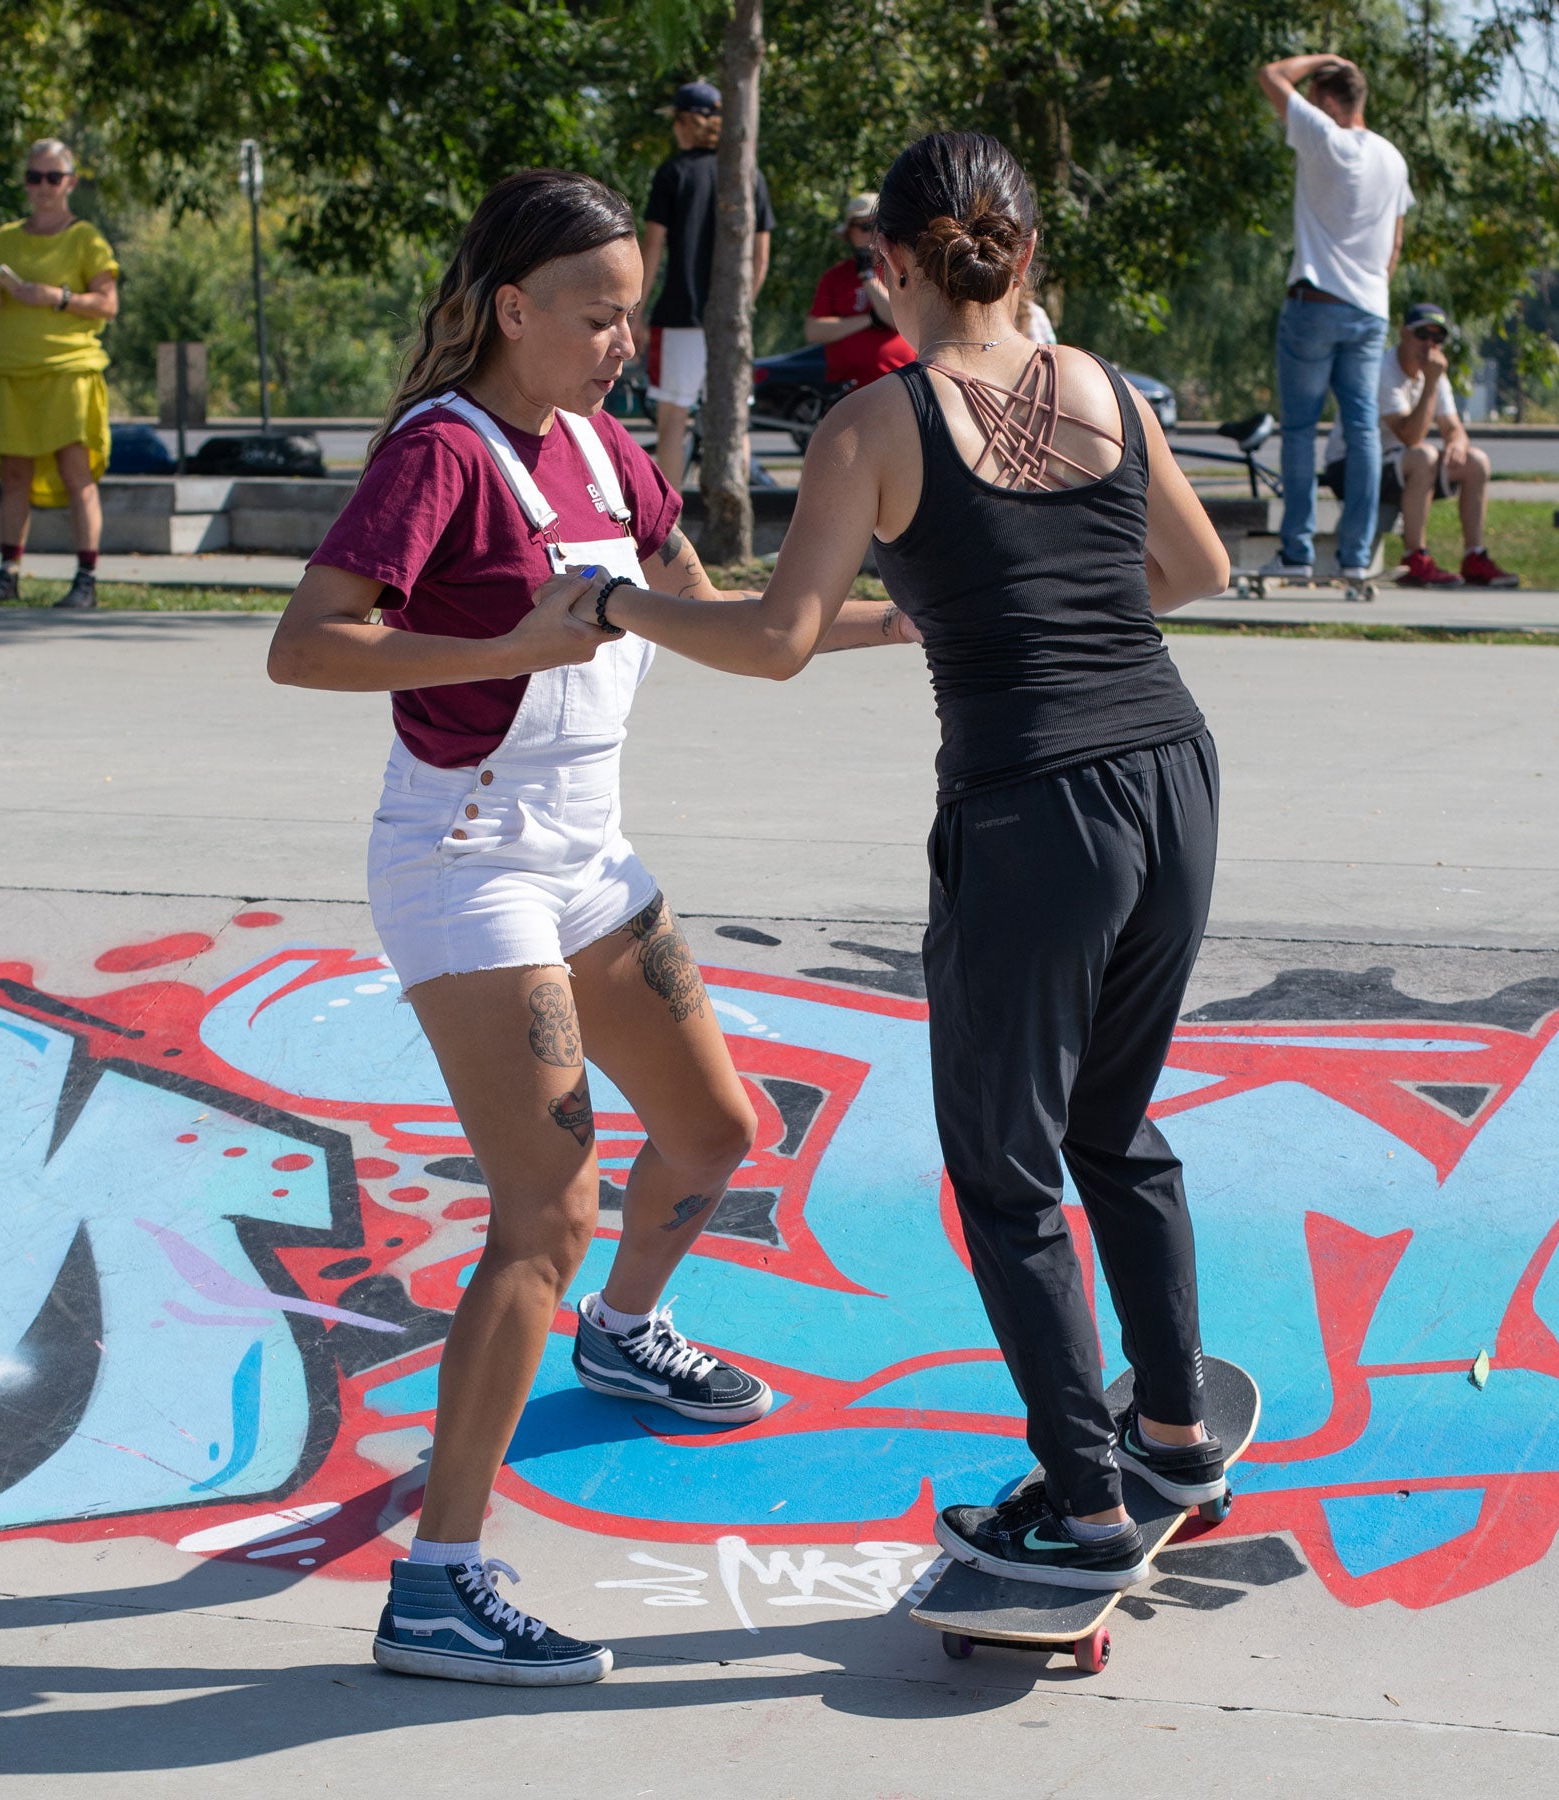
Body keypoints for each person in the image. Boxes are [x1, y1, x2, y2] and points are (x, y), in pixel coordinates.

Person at [554, 131, 1235, 1593]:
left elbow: (776, 642)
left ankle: (1088, 1505)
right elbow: (1194, 575)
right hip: (1173, 773)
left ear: (889, 265)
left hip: (1034, 809)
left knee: (1006, 1169)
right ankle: (1173, 1431)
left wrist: (616, 605)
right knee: (1114, 1126)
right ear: (1027, 257)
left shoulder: (875, 423)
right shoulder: (1106, 385)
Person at [267, 168, 915, 1686]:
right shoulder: (445, 454)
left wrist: (917, 616)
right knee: (547, 1205)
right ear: (512, 308)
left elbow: (740, 628)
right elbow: (306, 646)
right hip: (466, 858)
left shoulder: (615, 458)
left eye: (634, 314)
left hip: (588, 860)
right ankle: (437, 1582)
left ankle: (621, 1337)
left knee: (713, 1135)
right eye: (597, 314)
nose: (626, 340)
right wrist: (500, 641)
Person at [1257, 55, 1411, 585]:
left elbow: (1271, 76)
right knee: (1363, 430)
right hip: (1370, 309)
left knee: (1300, 430)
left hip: (1315, 302)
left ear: (1326, 102)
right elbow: (1394, 245)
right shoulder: (1394, 159)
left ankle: (1297, 554)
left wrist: (1322, 59)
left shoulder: (1324, 137)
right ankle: (1355, 557)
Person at [0, 138, 120, 610]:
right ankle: (7, 575)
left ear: (70, 182)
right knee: (14, 475)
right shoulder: (6, 236)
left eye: (53, 177)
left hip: (67, 371)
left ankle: (86, 579)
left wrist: (59, 297)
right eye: (34, 177)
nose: (43, 187)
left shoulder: (86, 238)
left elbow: (109, 305)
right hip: (11, 372)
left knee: (77, 472)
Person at [637, 80, 775, 486]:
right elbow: (760, 257)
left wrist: (635, 312)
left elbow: (652, 247)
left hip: (679, 316)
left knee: (672, 420)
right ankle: (735, 511)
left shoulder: (671, 173)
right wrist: (740, 310)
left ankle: (667, 529)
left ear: (683, 122)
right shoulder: (749, 175)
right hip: (730, 322)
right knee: (735, 421)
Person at [1323, 303, 1518, 588]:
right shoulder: (1384, 371)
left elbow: (1455, 429)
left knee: (1476, 462)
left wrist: (1457, 443)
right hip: (1352, 467)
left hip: (1399, 464)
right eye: (1422, 335)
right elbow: (1410, 436)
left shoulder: (1435, 373)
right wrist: (1430, 385)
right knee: (1424, 454)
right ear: (1403, 333)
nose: (1429, 345)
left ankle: (1474, 557)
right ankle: (1415, 558)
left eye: (1437, 339)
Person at [804, 193, 914, 389]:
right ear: (850, 233)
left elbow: (898, 320)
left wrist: (868, 276)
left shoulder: (904, 269)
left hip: (899, 390)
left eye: (877, 225)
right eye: (864, 227)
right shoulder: (835, 276)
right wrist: (869, 320)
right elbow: (813, 331)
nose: (872, 233)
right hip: (845, 393)